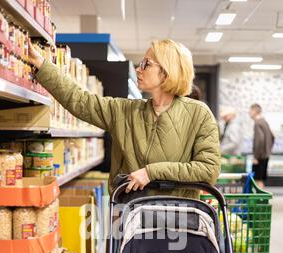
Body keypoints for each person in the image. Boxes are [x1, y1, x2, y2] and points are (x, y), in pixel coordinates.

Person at [28, 39, 221, 197]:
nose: (139, 68)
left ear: (166, 72)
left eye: (146, 64)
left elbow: (208, 170)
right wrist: (43, 65)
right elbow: (81, 101)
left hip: (178, 219)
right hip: (131, 217)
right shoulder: (125, 111)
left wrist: (151, 172)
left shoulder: (199, 114)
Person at [249, 103, 275, 188]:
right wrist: (268, 151)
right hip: (265, 155)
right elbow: (272, 137)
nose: (249, 112)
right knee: (260, 180)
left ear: (255, 111)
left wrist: (256, 157)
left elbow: (259, 140)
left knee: (257, 180)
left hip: (259, 157)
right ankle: (262, 200)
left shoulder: (257, 123)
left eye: (250, 110)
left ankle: (259, 201)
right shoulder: (264, 122)